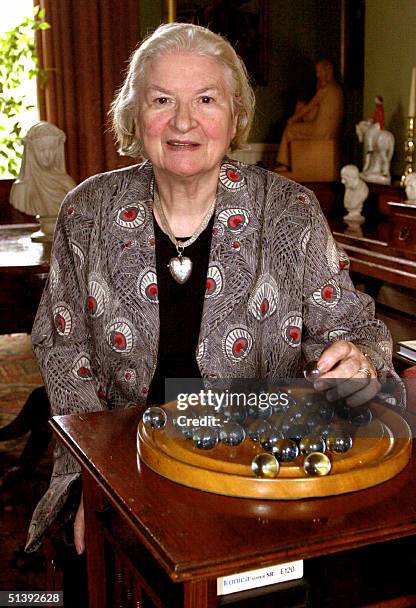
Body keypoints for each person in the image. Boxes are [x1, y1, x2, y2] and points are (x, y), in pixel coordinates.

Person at [26, 23, 397, 558]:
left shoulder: (289, 212)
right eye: (161, 100)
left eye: (205, 99)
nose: (183, 121)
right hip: (122, 463)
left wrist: (359, 357)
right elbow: (62, 351)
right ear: (135, 116)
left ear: (235, 116)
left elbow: (356, 329)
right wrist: (94, 479)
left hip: (258, 470)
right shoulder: (87, 211)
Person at [276, 59, 344, 171]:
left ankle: (285, 164)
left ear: (326, 71)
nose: (317, 75)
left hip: (321, 131)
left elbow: (308, 108)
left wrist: (292, 119)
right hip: (330, 131)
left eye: (319, 72)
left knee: (289, 130)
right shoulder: (337, 89)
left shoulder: (326, 89)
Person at [10, 121, 76, 218]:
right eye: (42, 150)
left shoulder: (67, 183)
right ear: (31, 152)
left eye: (52, 149)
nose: (47, 155)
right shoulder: (21, 189)